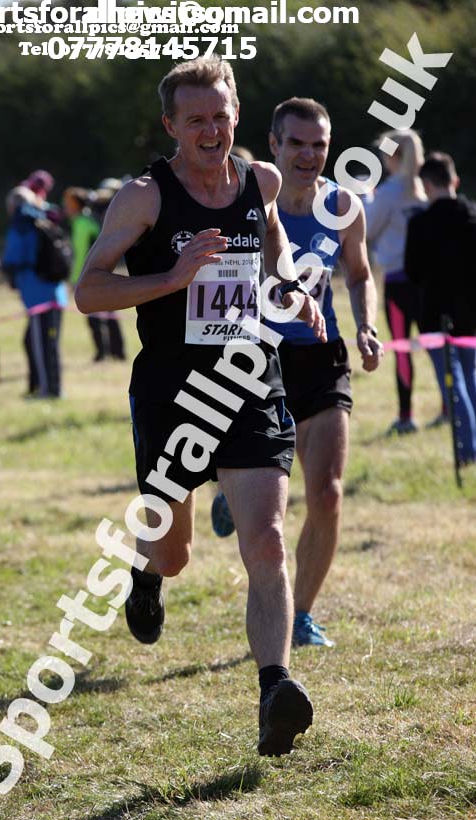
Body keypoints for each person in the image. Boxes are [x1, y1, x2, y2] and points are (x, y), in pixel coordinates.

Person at [75, 58, 328, 756]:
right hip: (170, 394)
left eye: (220, 116)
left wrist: (288, 285)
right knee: (176, 553)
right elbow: (89, 292)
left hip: (249, 381)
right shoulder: (143, 198)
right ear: (170, 127)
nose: (211, 131)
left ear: (236, 115)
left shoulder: (260, 178)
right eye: (195, 121)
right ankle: (147, 573)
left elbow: (270, 238)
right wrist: (172, 276)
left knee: (266, 538)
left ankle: (274, 689)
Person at [214, 97, 384, 647]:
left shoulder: (345, 205)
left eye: (319, 145)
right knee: (269, 510)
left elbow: (359, 274)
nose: (309, 155)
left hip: (322, 355)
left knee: (328, 494)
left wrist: (365, 326)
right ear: (275, 144)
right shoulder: (244, 203)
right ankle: (228, 485)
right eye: (297, 144)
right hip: (258, 360)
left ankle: (302, 614)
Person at [405, 152, 476, 465]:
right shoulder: (472, 215)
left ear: (426, 185)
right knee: (472, 378)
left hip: (435, 315)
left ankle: (467, 450)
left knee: (453, 382)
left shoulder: (420, 223)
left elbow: (413, 271)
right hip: (471, 314)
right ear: (454, 180)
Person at [364, 129, 428, 434]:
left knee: (402, 349)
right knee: (437, 346)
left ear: (393, 157)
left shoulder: (389, 192)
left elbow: (367, 229)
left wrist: (364, 199)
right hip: (426, 282)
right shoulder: (422, 189)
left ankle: (405, 416)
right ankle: (449, 408)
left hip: (398, 281)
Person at [2, 186, 68, 398]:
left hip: (38, 295)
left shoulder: (21, 225)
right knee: (50, 344)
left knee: (41, 346)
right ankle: (52, 388)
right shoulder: (45, 218)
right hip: (56, 293)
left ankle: (48, 391)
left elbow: (12, 257)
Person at [63, 186, 126, 362]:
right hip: (106, 274)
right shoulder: (89, 220)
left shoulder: (81, 224)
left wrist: (75, 280)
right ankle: (118, 352)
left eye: (68, 203)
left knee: (95, 318)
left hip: (92, 278)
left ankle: (101, 354)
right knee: (110, 314)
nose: (65, 207)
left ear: (76, 205)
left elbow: (81, 256)